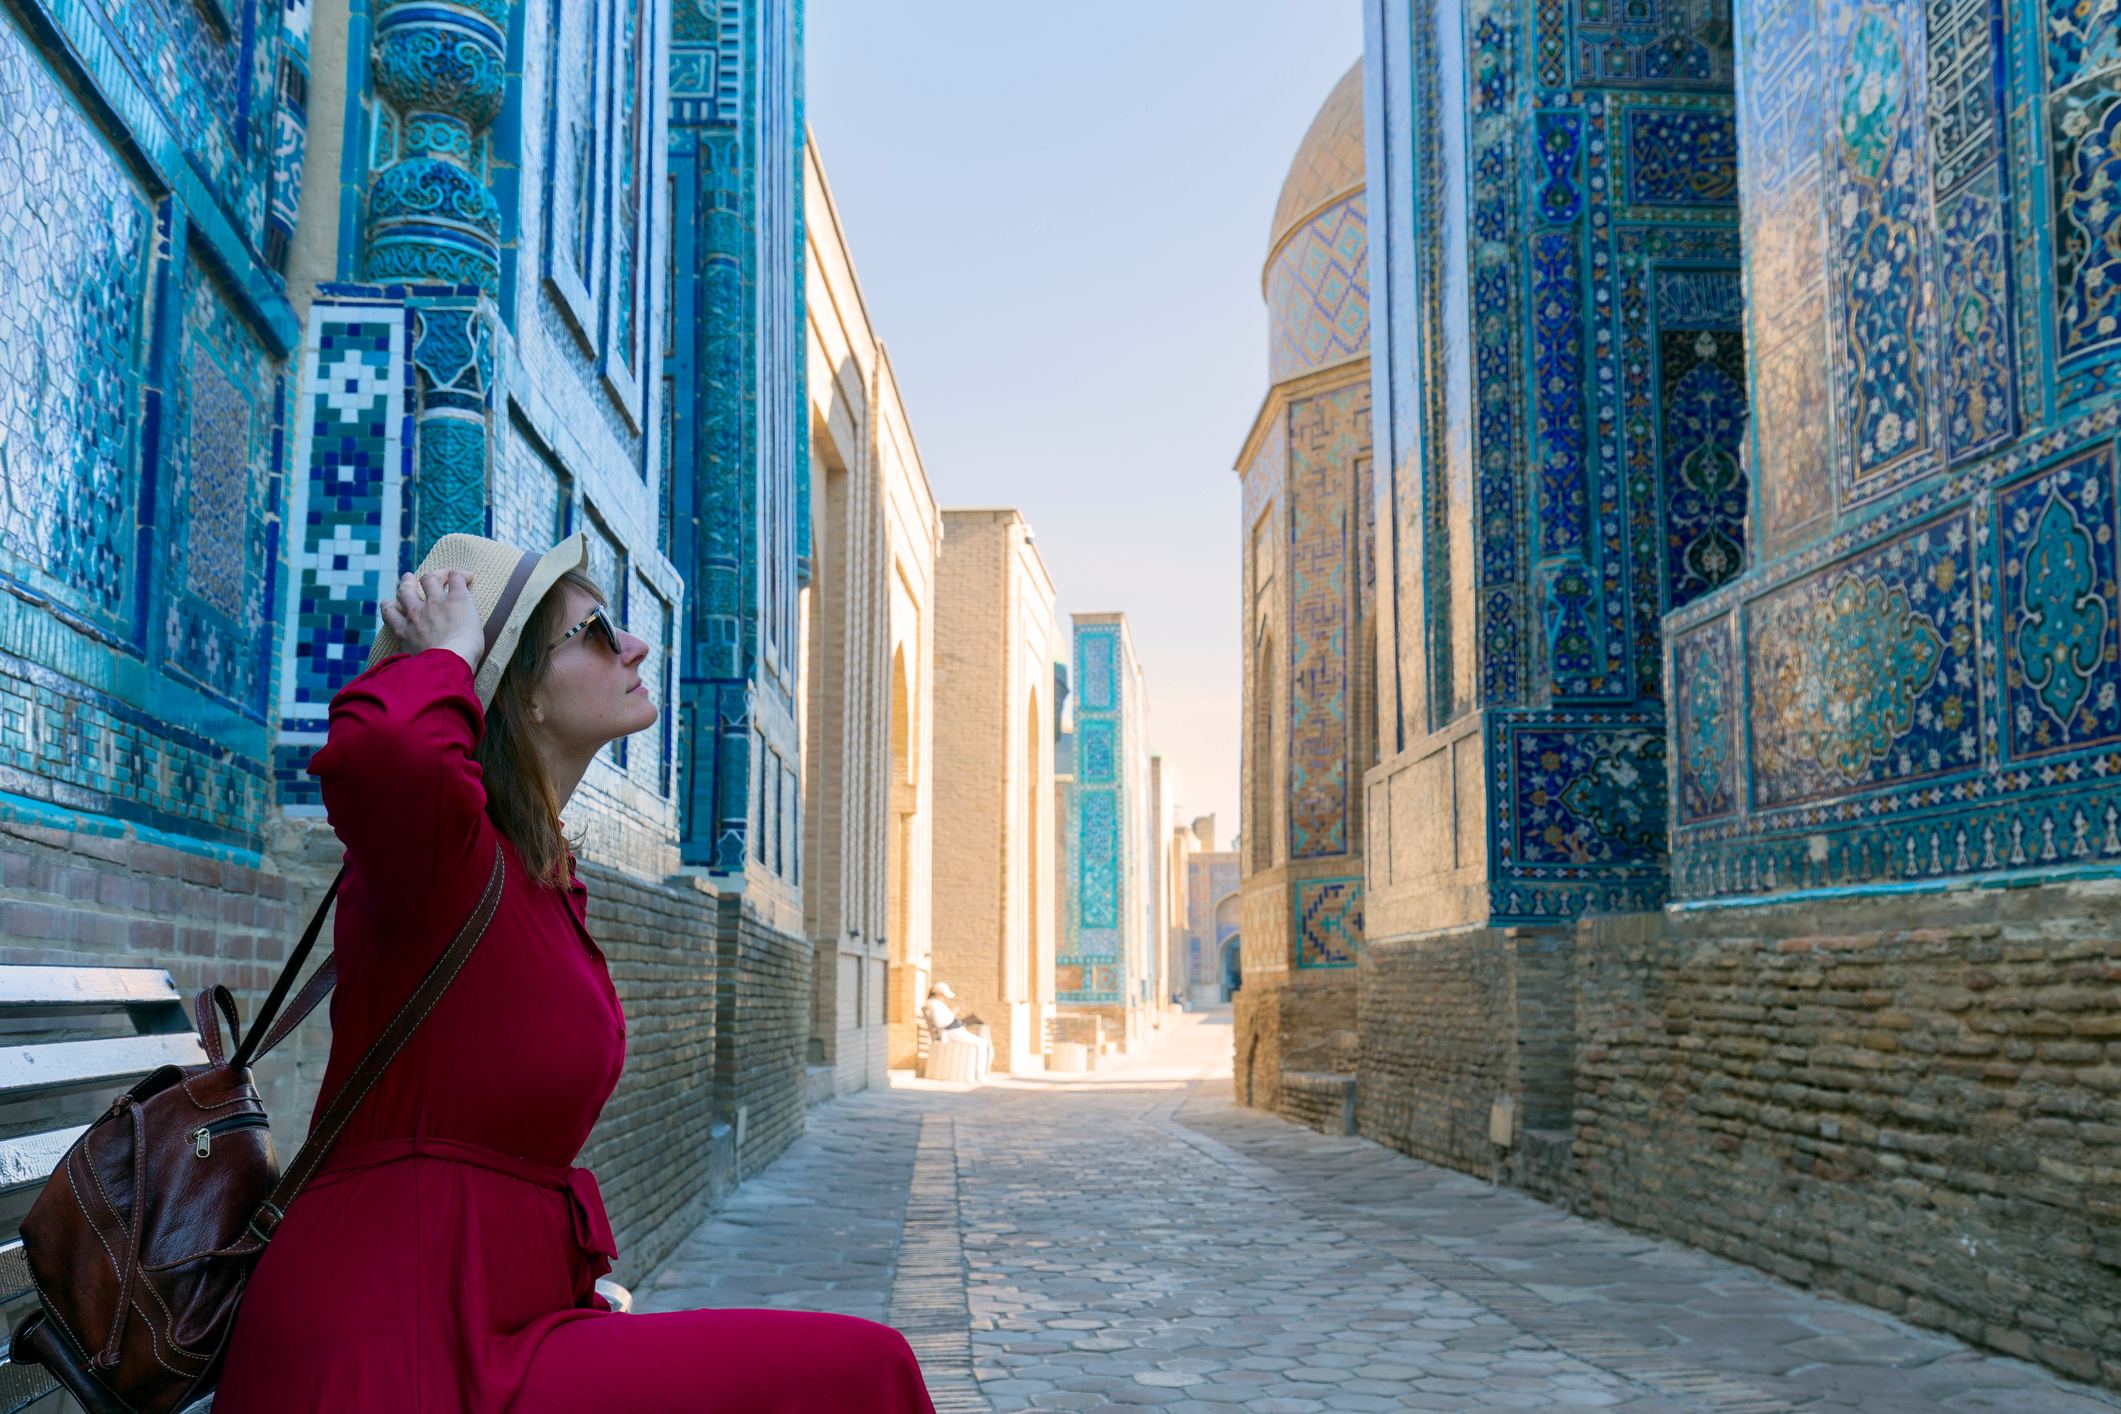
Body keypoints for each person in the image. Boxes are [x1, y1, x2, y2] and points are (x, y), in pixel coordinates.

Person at [215, 533, 935, 1413]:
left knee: (858, 1371)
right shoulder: (441, 863)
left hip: (503, 1326)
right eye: (595, 631)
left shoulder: (535, 877)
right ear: (522, 696)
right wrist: (444, 656)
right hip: (388, 1349)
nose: (634, 646)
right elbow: (383, 753)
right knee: (860, 1378)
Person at [922, 982, 994, 1081]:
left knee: (982, 1042)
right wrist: (953, 1013)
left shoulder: (938, 1004)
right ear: (938, 994)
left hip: (955, 1030)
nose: (945, 998)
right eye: (943, 995)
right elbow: (940, 1023)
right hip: (951, 1032)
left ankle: (980, 1073)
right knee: (981, 1043)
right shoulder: (933, 1004)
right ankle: (980, 1074)